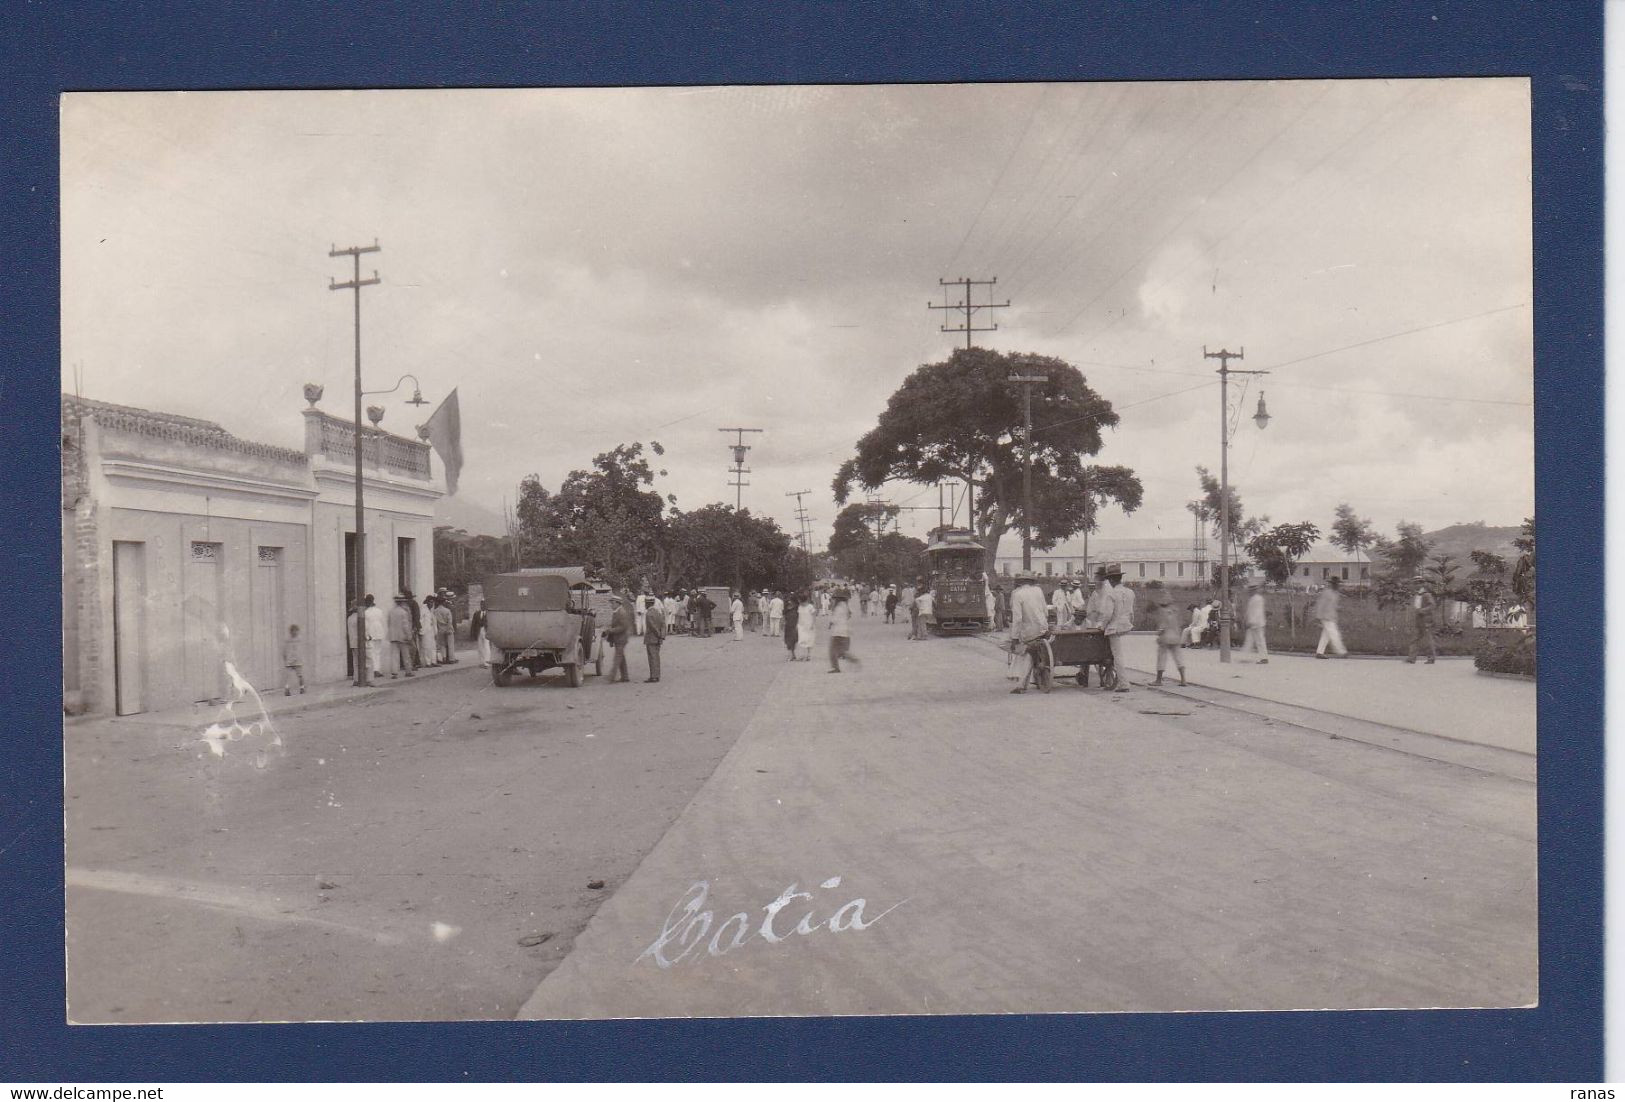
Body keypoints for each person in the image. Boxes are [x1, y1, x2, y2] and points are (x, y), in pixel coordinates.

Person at [1007, 570, 1050, 693]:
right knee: (1037, 652)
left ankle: (1021, 685)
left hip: (1029, 631)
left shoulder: (1018, 594)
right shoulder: (1038, 591)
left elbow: (1018, 618)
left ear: (1020, 582)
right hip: (1043, 628)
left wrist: (1015, 637)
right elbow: (1045, 611)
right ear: (1032, 581)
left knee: (1026, 653)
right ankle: (1035, 679)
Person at [1102, 563, 1136, 692]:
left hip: (1114, 627)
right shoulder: (1130, 592)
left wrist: (1102, 627)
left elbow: (1108, 614)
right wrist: (1129, 623)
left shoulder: (1111, 594)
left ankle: (1124, 684)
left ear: (1111, 580)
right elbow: (1131, 612)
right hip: (1126, 624)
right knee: (1119, 654)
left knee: (1118, 656)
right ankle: (1122, 682)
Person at [1148, 583, 1187, 687]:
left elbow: (1162, 625)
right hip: (1176, 636)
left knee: (1161, 657)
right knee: (1178, 657)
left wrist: (1159, 634)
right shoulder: (1176, 610)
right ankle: (1183, 679)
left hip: (1165, 637)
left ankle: (1158, 680)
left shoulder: (1162, 611)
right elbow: (1181, 623)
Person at [1313, 578, 1349, 659]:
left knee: (1326, 635)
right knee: (1334, 634)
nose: (1338, 585)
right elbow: (1321, 604)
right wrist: (1318, 616)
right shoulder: (1327, 593)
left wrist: (1339, 608)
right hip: (1326, 617)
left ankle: (1319, 652)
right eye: (1337, 584)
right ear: (1333, 584)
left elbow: (1333, 605)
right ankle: (1342, 652)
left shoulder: (1335, 594)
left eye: (1338, 584)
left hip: (1332, 616)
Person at [1406, 573, 1438, 664]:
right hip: (1418, 619)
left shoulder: (1426, 595)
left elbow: (1432, 605)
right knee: (1415, 638)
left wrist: (1422, 611)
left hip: (1426, 619)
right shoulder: (1416, 595)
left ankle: (1431, 658)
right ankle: (1411, 658)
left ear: (1422, 584)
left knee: (1428, 639)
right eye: (1414, 583)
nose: (1415, 585)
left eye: (1417, 583)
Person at [827, 588, 859, 673]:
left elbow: (835, 619)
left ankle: (835, 667)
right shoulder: (845, 606)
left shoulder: (838, 607)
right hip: (844, 632)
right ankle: (853, 660)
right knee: (842, 652)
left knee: (832, 651)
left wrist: (830, 623)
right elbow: (848, 616)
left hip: (837, 632)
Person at [606, 593, 633, 683]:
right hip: (619, 638)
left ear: (617, 603)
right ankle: (625, 677)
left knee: (617, 657)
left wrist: (611, 630)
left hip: (621, 638)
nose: (611, 605)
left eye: (612, 603)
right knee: (621, 657)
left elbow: (623, 627)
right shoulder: (618, 611)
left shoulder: (621, 612)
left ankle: (611, 677)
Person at [387, 595, 415, 679]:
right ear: (402, 602)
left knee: (394, 654)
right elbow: (405, 625)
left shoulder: (391, 611)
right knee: (406, 654)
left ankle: (394, 672)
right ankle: (408, 671)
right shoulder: (404, 612)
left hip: (393, 635)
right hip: (402, 636)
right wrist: (409, 636)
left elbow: (389, 623)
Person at [1241, 580, 1269, 663]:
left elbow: (1257, 612)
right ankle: (1244, 657)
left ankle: (1264, 658)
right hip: (1253, 623)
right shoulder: (1252, 598)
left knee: (1259, 640)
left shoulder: (1258, 599)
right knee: (1249, 640)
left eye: (1251, 590)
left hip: (1257, 623)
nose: (1249, 592)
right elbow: (1249, 611)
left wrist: (1251, 622)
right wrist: (1246, 619)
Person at [362, 594, 387, 680]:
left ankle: (373, 670)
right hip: (379, 632)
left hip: (371, 633)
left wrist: (366, 634)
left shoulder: (366, 612)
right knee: (378, 652)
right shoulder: (379, 611)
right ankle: (377, 669)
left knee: (371, 652)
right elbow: (382, 621)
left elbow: (366, 625)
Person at [643, 594, 665, 682]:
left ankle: (653, 676)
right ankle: (657, 675)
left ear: (648, 603)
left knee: (652, 658)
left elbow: (652, 626)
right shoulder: (658, 612)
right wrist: (662, 636)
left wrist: (658, 634)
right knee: (656, 657)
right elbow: (663, 624)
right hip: (658, 638)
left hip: (651, 638)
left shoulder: (649, 613)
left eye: (645, 603)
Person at [282, 624, 307, 696]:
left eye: (296, 631)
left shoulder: (299, 640)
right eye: (293, 631)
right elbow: (284, 650)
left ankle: (302, 688)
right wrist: (285, 658)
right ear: (290, 632)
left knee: (300, 675)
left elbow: (301, 650)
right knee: (287, 676)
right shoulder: (287, 640)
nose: (294, 633)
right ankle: (287, 689)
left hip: (297, 661)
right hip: (289, 661)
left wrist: (300, 658)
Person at [434, 595, 456, 664]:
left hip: (440, 629)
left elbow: (435, 621)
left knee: (442, 645)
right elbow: (450, 621)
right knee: (450, 644)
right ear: (443, 602)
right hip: (448, 628)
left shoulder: (435, 611)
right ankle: (451, 659)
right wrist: (449, 629)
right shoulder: (447, 610)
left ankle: (444, 658)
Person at [420, 595, 439, 668]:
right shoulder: (423, 610)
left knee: (433, 646)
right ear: (427, 602)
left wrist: (435, 631)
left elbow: (433, 621)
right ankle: (428, 662)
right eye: (430, 602)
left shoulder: (431, 610)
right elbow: (421, 620)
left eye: (433, 602)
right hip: (426, 630)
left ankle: (434, 661)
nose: (432, 604)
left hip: (431, 630)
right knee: (427, 646)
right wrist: (422, 630)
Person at [796, 593, 816, 661]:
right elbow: (799, 616)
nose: (799, 602)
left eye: (800, 600)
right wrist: (797, 624)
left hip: (809, 626)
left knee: (809, 641)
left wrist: (813, 624)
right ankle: (802, 655)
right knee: (802, 640)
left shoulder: (810, 606)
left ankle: (808, 655)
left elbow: (814, 616)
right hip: (801, 626)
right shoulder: (799, 607)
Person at [471, 599, 491, 666]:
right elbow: (473, 624)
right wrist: (472, 633)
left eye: (484, 604)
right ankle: (481, 662)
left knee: (486, 646)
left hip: (486, 631)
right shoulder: (477, 613)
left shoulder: (489, 614)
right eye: (481, 604)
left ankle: (487, 662)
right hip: (479, 631)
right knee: (480, 647)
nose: (482, 606)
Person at [783, 591, 801, 659]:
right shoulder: (789, 608)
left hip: (793, 625)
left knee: (792, 640)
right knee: (790, 639)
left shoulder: (796, 608)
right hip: (790, 625)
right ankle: (791, 654)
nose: (790, 602)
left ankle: (791, 654)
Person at [345, 603, 361, 680]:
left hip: (352, 642)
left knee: (355, 661)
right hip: (359, 642)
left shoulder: (349, 618)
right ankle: (360, 678)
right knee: (361, 661)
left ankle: (356, 678)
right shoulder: (359, 618)